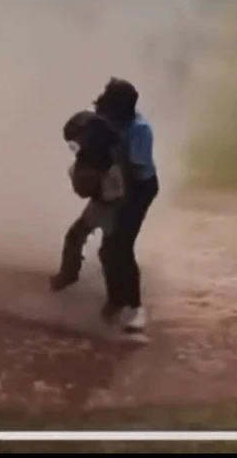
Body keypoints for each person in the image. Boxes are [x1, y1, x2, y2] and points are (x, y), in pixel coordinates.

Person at [93, 78, 158, 336]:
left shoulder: (140, 129)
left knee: (120, 245)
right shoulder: (106, 121)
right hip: (117, 187)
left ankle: (135, 308)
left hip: (139, 190)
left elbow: (131, 170)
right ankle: (116, 300)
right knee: (107, 250)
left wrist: (115, 196)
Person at [50, 108, 125, 293]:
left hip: (111, 206)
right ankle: (70, 274)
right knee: (79, 238)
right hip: (105, 204)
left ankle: (118, 297)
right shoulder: (111, 154)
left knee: (103, 250)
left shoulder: (108, 161)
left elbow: (90, 191)